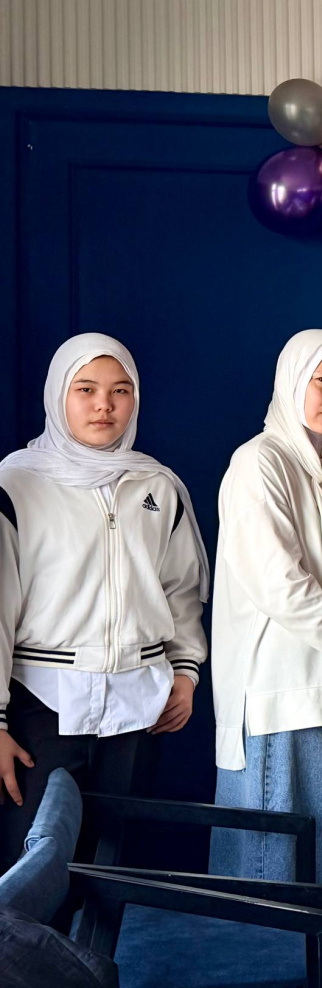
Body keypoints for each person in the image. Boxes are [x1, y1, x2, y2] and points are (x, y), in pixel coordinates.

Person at [209, 330, 322, 988]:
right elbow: (277, 580)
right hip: (277, 700)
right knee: (274, 869)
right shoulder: (259, 463)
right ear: (292, 382)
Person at [0, 334, 208, 871]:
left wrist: (185, 671)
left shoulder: (157, 485)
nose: (104, 405)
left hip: (139, 706)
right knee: (35, 869)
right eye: (86, 389)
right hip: (40, 705)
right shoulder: (16, 484)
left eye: (120, 390)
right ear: (57, 395)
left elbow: (181, 589)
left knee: (114, 868)